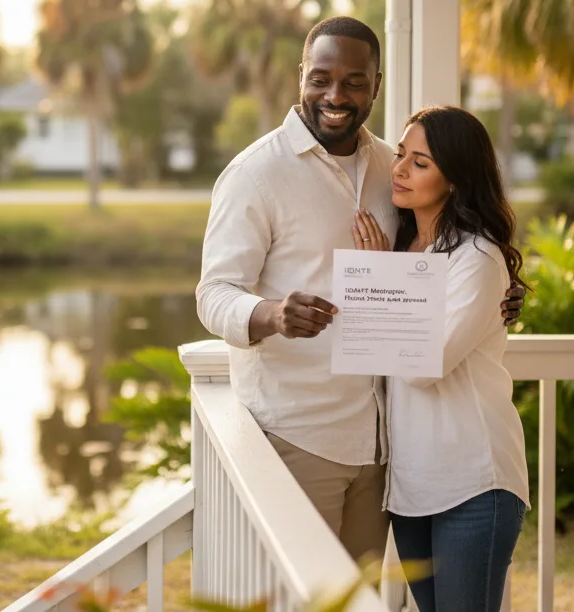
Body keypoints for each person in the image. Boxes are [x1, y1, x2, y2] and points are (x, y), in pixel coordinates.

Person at [195, 15, 526, 563]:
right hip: (300, 436)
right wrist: (272, 313)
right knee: (302, 597)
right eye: (321, 77)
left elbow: (437, 256)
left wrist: (496, 298)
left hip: (381, 447)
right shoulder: (254, 174)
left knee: (360, 601)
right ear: (301, 75)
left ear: (376, 84)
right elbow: (214, 295)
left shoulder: (390, 166)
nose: (335, 94)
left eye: (354, 81)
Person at [352, 106, 530, 612]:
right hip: (411, 487)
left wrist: (377, 278)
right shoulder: (408, 249)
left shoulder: (477, 258)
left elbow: (420, 367)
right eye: (401, 155)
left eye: (421, 162)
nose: (401, 169)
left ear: (455, 179)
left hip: (474, 482)